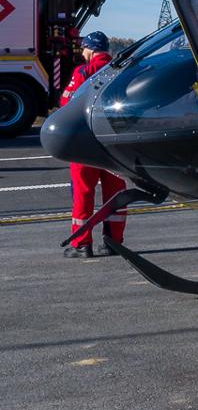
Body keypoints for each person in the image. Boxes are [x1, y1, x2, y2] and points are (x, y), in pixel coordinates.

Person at [64, 32, 125, 258]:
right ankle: (114, 242)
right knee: (115, 193)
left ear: (90, 49)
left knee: (83, 192)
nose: (82, 53)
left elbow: (65, 103)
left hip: (85, 142)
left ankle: (82, 244)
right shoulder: (120, 71)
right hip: (114, 143)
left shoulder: (82, 72)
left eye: (83, 49)